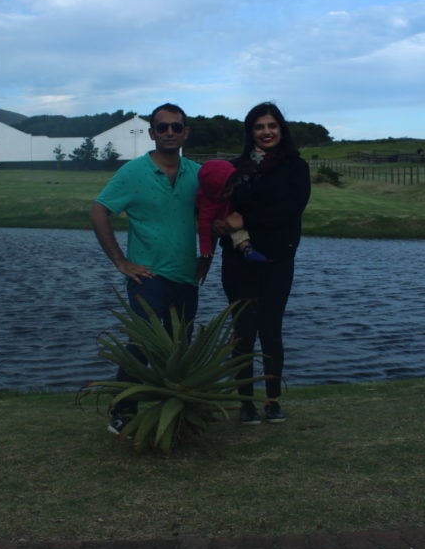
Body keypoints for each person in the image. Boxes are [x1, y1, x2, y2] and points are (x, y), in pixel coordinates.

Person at [90, 103, 202, 435]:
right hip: (148, 276)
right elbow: (98, 212)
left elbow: (214, 215)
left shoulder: (197, 173)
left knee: (181, 346)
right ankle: (123, 412)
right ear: (152, 133)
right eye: (162, 127)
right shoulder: (133, 172)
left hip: (185, 277)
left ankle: (177, 413)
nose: (169, 132)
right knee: (142, 344)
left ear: (185, 133)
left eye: (176, 127)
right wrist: (121, 262)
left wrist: (207, 257)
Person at [215, 102, 310, 425]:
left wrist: (246, 220)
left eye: (272, 126)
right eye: (259, 126)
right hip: (237, 261)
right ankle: (245, 403)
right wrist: (221, 224)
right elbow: (221, 206)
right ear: (250, 132)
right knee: (243, 331)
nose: (266, 132)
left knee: (270, 329)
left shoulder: (296, 167)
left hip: (277, 259)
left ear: (281, 130)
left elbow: (290, 210)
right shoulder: (236, 167)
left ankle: (272, 400)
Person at [196, 159, 270, 267]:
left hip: (233, 214)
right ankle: (247, 249)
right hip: (222, 220)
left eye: (229, 189)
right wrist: (205, 251)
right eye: (224, 192)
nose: (228, 195)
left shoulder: (235, 188)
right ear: (213, 192)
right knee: (236, 232)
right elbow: (204, 228)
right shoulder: (207, 205)